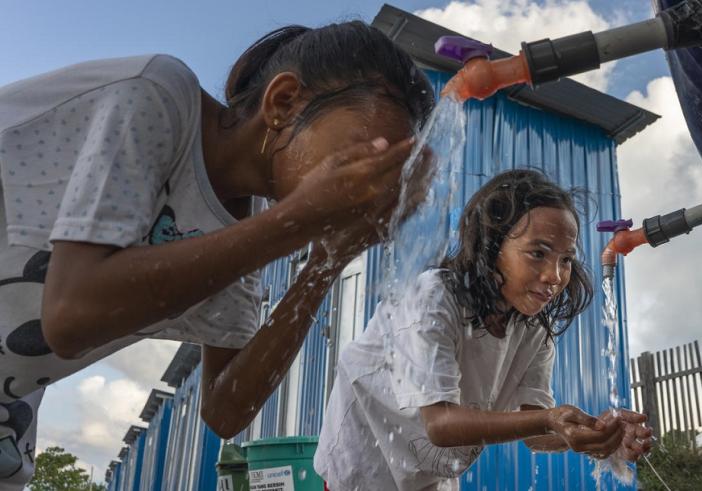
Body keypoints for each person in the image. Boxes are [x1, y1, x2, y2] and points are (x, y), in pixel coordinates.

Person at [0, 21, 434, 488]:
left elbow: (226, 412)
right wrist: (299, 221)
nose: (370, 187)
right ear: (283, 102)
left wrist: (324, 263)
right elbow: (69, 316)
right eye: (363, 157)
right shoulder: (155, 95)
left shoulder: (245, 240)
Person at [314, 169, 653, 490]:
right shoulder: (433, 298)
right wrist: (551, 420)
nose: (554, 275)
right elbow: (441, 424)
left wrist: (596, 433)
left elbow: (534, 428)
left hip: (430, 470)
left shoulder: (533, 330)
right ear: (492, 246)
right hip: (363, 456)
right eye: (538, 253)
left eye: (566, 259)